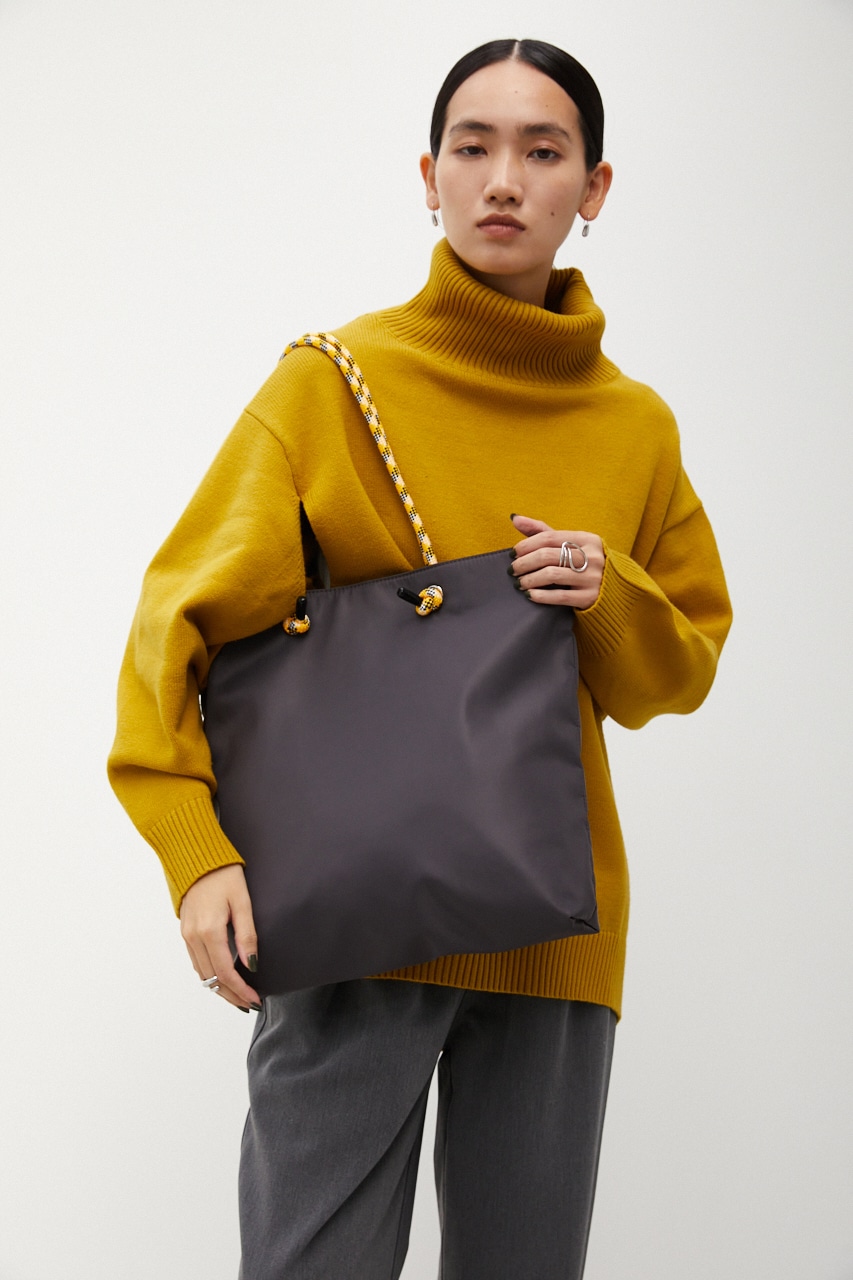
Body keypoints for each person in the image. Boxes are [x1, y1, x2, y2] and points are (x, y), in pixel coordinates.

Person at [108, 37, 732, 1280]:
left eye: (541, 151)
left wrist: (606, 591)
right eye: (472, 146)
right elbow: (176, 618)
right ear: (428, 174)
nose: (502, 179)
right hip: (357, 914)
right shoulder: (332, 384)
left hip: (555, 931)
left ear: (593, 188)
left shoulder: (635, 427)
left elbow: (676, 672)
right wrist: (195, 850)